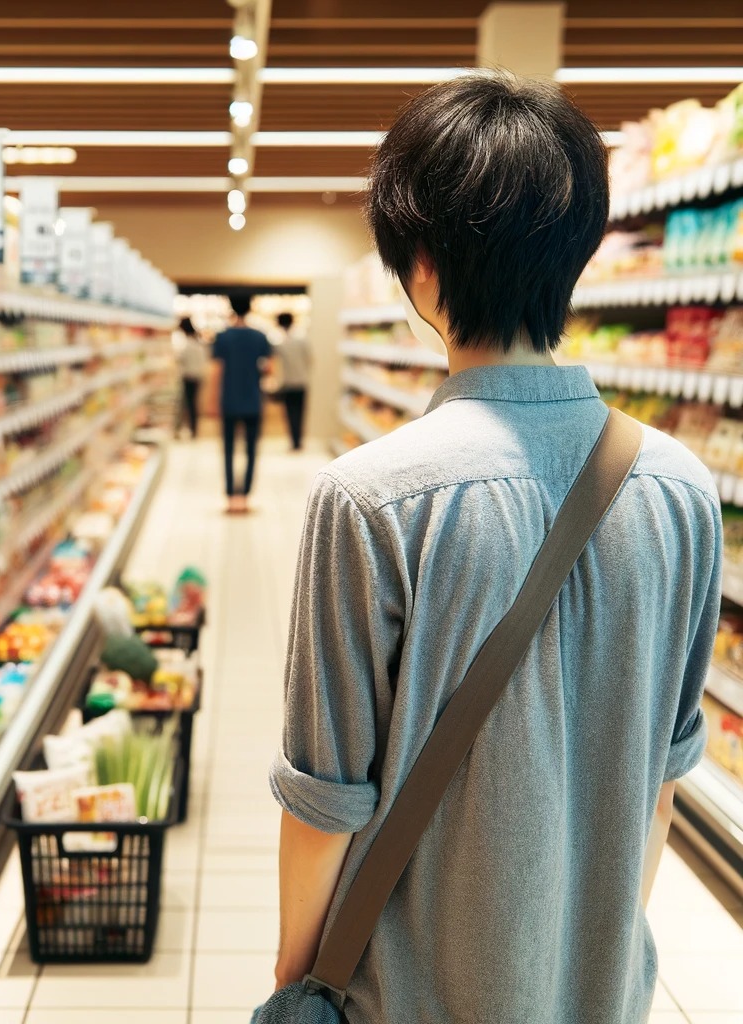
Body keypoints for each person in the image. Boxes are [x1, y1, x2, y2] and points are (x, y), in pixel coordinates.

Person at [269, 71, 721, 1023]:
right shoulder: (683, 489)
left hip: (412, 993)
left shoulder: (368, 498)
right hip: (597, 988)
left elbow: (326, 805)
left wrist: (295, 984)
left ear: (419, 263)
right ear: (579, 254)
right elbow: (661, 783)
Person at [212, 294, 272, 514]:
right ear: (250, 309)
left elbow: (217, 371)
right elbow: (268, 367)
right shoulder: (259, 336)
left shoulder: (223, 337)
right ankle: (245, 496)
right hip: (253, 399)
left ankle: (230, 497)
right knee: (251, 450)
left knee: (228, 449)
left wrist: (212, 400)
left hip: (229, 399)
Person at [275, 312, 310, 451]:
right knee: (300, 413)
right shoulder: (302, 339)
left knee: (290, 414)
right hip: (301, 381)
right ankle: (298, 441)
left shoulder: (282, 342)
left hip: (288, 382)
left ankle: (293, 441)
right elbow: (309, 359)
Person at [175, 316, 206, 439]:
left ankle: (190, 429)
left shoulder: (188, 343)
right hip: (197, 376)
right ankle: (193, 429)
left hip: (189, 377)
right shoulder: (196, 342)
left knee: (188, 404)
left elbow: (181, 359)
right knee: (192, 404)